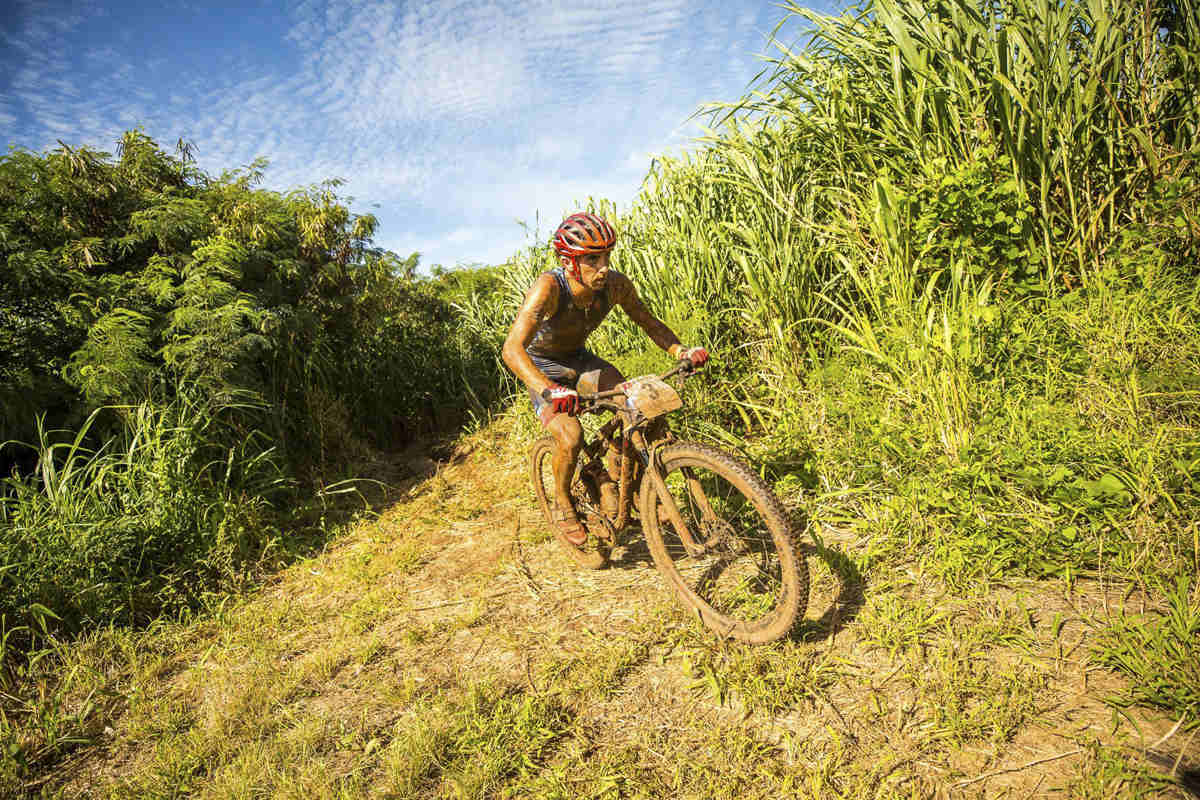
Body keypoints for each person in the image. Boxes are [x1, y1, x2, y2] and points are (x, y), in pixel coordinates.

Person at [502, 212, 709, 547]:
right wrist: (548, 390)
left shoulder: (615, 285)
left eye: (607, 257)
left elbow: (648, 321)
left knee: (636, 408)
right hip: (544, 369)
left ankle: (629, 486)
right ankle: (563, 502)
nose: (604, 267)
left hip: (580, 361)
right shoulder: (549, 288)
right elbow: (512, 349)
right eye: (592, 260)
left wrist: (681, 351)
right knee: (571, 438)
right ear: (569, 263)